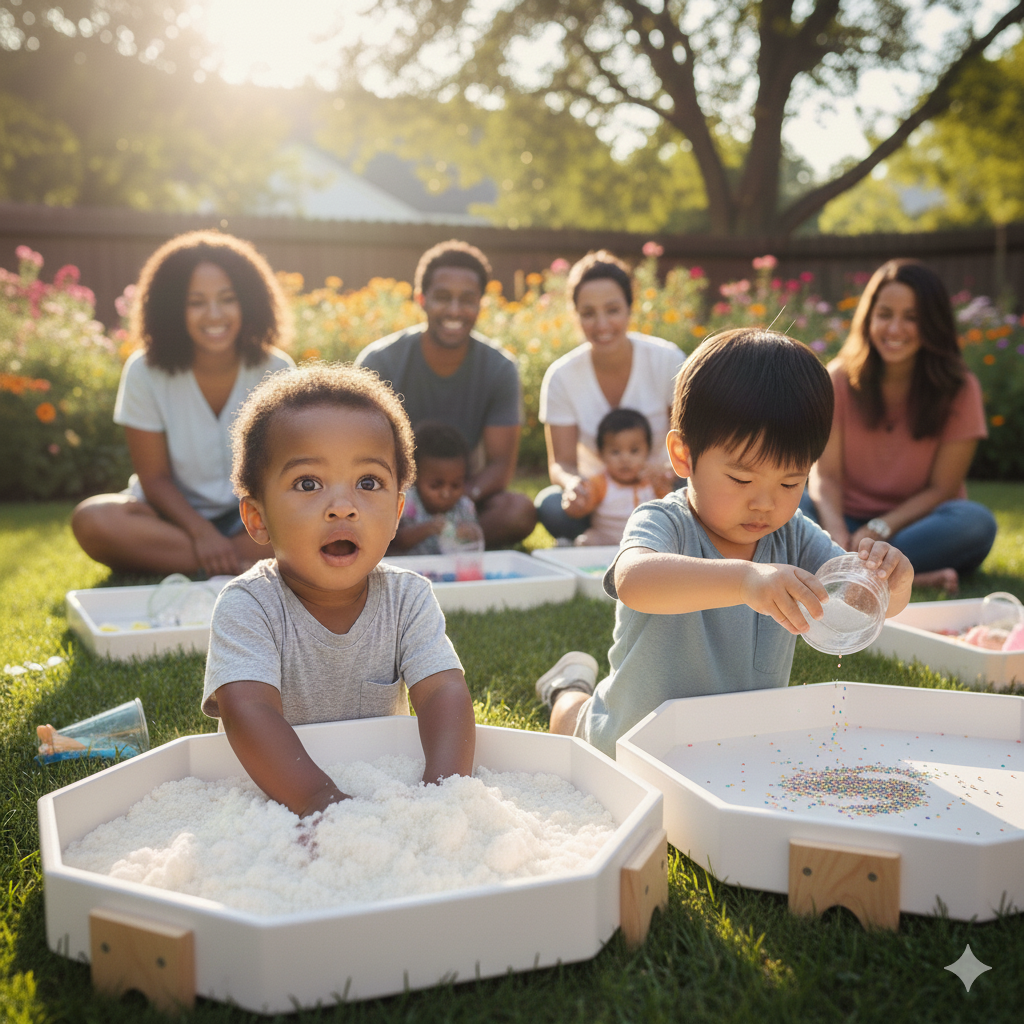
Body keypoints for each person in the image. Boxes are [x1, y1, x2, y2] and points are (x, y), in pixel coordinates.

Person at [533, 329, 914, 759]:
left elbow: (858, 599)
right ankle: (569, 686)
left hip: (738, 744)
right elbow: (633, 580)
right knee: (575, 720)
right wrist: (745, 581)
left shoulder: (793, 534)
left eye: (791, 481)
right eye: (741, 478)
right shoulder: (666, 521)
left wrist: (889, 582)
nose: (765, 503)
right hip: (634, 740)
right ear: (683, 455)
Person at [202, 363, 476, 818]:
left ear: (396, 514)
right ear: (257, 518)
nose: (343, 507)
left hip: (379, 775)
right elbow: (247, 710)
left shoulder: (408, 599)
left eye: (369, 483)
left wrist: (444, 794)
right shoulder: (249, 604)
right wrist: (320, 803)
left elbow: (443, 693)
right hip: (279, 795)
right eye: (308, 483)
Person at [71, 230, 295, 576]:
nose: (214, 315)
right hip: (172, 520)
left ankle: (206, 562)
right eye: (196, 302)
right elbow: (154, 477)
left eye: (227, 298)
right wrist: (202, 534)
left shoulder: (277, 369)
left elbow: (285, 468)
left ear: (248, 302)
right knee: (92, 519)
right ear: (172, 308)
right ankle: (239, 566)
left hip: (253, 521)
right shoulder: (144, 371)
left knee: (302, 522)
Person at [802, 259, 997, 594]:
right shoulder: (838, 378)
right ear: (868, 318)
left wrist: (878, 529)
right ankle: (906, 578)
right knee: (792, 511)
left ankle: (845, 570)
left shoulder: (961, 389)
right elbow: (825, 476)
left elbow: (943, 488)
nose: (894, 329)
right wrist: (837, 536)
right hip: (843, 521)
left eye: (912, 318)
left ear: (933, 324)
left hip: (914, 527)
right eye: (884, 314)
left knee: (976, 523)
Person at [355, 240, 536, 547]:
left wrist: (453, 497)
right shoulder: (379, 361)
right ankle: (411, 544)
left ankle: (440, 543)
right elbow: (359, 454)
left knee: (517, 511)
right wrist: (408, 502)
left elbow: (500, 465)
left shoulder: (500, 368)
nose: (455, 310)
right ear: (421, 299)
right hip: (391, 498)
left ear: (480, 302)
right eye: (442, 297)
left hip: (460, 496)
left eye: (467, 299)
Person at [535, 250, 685, 542]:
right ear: (575, 315)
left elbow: (694, 442)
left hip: (662, 490)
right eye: (588, 313)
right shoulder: (561, 376)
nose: (602, 325)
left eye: (613, 310)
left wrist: (667, 471)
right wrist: (573, 484)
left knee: (693, 492)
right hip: (600, 497)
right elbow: (561, 463)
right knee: (552, 506)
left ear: (630, 309)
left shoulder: (667, 359)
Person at [563, 408, 673, 547]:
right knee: (587, 539)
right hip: (607, 541)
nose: (625, 459)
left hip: (644, 542)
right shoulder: (601, 482)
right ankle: (569, 548)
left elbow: (667, 508)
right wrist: (577, 505)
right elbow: (585, 504)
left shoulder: (652, 481)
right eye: (615, 452)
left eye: (634, 451)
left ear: (648, 451)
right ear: (601, 455)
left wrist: (661, 482)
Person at [392, 421, 481, 555]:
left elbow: (475, 544)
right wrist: (426, 529)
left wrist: (472, 533)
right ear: (414, 479)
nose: (446, 493)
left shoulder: (464, 507)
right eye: (435, 485)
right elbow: (395, 542)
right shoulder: (407, 503)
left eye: (455, 485)